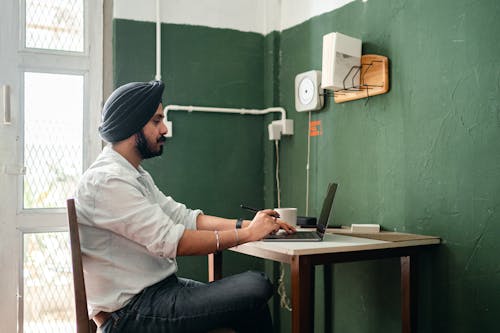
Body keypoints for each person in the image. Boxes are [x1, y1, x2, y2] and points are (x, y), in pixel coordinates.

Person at [75, 80, 296, 333]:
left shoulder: (133, 174)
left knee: (252, 304)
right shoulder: (108, 180)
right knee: (256, 285)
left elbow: (184, 218)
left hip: (158, 292)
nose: (165, 129)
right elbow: (173, 241)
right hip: (130, 314)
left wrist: (251, 224)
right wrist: (247, 234)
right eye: (156, 121)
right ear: (132, 124)